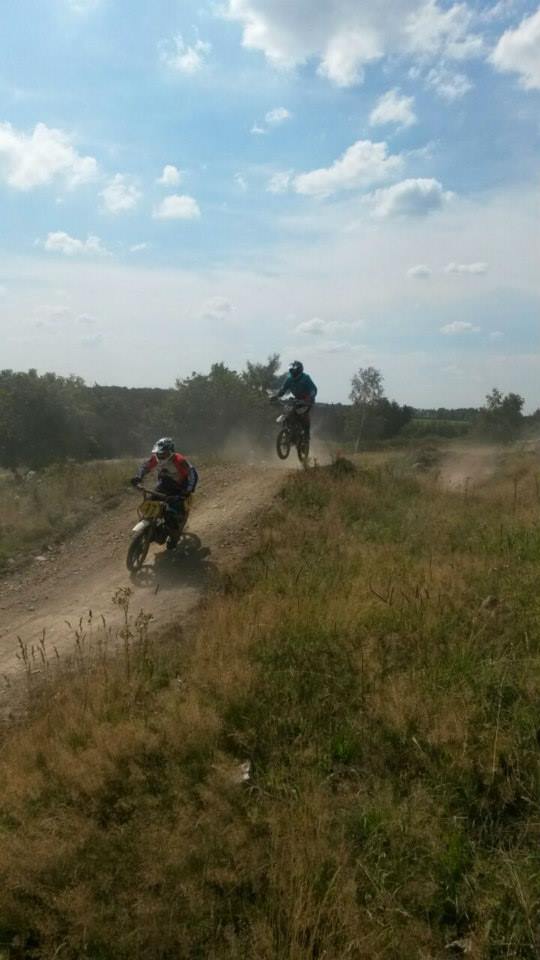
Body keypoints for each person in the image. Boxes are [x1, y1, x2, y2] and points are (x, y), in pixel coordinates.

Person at [130, 437, 198, 548]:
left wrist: (188, 491)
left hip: (179, 488)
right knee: (149, 504)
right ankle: (150, 528)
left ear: (171, 452)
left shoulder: (179, 460)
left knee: (171, 513)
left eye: (164, 453)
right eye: (159, 453)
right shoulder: (155, 458)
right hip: (164, 485)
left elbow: (192, 474)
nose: (160, 456)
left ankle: (174, 536)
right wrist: (138, 477)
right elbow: (145, 467)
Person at [272, 361, 318, 435]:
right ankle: (288, 430)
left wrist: (310, 397)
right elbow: (283, 389)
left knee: (304, 415)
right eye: (291, 370)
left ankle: (306, 434)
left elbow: (313, 389)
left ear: (299, 370)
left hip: (307, 400)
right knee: (288, 412)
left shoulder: (306, 378)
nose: (292, 372)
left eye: (294, 370)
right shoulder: (289, 379)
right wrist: (276, 396)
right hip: (296, 399)